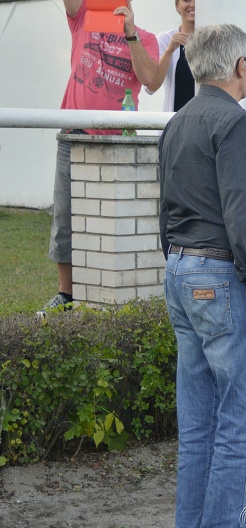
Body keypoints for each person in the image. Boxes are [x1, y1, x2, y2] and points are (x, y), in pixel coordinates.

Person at [158, 24, 246, 528]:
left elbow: (164, 203)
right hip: (221, 273)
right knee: (241, 425)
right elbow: (242, 210)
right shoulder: (234, 121)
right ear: (238, 68)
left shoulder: (179, 118)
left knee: (201, 422)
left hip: (181, 269)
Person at [40, 0, 158, 316]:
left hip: (116, 138)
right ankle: (66, 294)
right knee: (64, 215)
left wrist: (130, 33)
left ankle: (107, 293)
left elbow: (149, 78)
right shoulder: (83, 20)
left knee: (113, 216)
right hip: (74, 131)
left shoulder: (146, 38)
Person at [145, 0, 195, 112]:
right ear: (177, 6)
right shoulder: (166, 39)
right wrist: (169, 51)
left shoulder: (213, 41)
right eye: (187, 0)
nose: (192, 4)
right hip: (174, 122)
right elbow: (150, 87)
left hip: (205, 123)